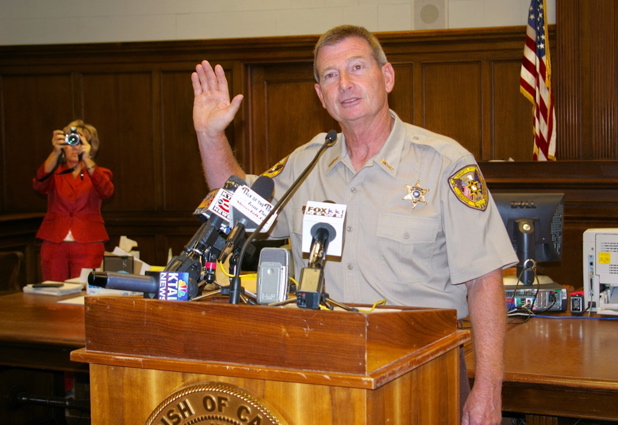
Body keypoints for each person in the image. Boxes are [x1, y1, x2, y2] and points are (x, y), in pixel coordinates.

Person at [191, 25, 518, 425]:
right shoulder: (307, 163)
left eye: (357, 67)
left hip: (421, 372)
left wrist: (488, 387)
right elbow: (238, 210)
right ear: (320, 96)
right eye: (330, 75)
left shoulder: (444, 164)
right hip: (323, 374)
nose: (344, 83)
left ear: (387, 77)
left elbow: (484, 281)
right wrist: (210, 136)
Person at [33, 119, 114, 282]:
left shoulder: (99, 172)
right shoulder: (54, 171)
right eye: (71, 141)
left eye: (80, 141)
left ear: (90, 146)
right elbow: (39, 184)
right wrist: (55, 152)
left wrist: (88, 159)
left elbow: (106, 191)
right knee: (53, 290)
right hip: (54, 240)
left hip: (88, 240)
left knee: (84, 290)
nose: (75, 146)